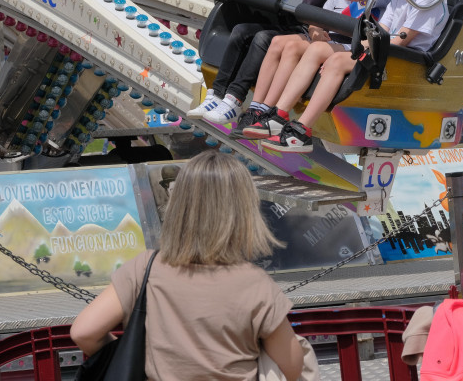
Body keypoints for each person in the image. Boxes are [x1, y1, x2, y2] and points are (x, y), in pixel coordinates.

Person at [70, 151, 303, 381]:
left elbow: (84, 332)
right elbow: (292, 367)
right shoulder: (254, 282)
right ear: (244, 210)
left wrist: (134, 355)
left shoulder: (144, 268)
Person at [243, 0, 448, 152]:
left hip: (404, 60)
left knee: (337, 61)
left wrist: (354, 51)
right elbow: (384, 31)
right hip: (384, 49)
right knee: (317, 49)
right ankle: (278, 115)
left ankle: (302, 131)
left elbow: (400, 40)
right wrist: (358, 47)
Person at [237, 0, 393, 133]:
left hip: (354, 44)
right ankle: (260, 109)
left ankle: (279, 114)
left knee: (317, 49)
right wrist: (315, 29)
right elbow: (319, 17)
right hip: (332, 39)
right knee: (283, 43)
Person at [187, 0, 342, 123]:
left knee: (262, 37)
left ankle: (235, 97)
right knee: (242, 30)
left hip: (305, 31)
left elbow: (302, 0)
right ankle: (217, 93)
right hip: (287, 26)